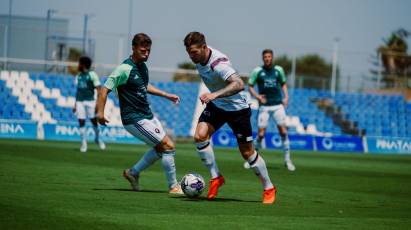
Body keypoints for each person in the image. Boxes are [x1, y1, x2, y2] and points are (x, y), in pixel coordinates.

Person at [184, 31, 276, 204]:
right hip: (218, 106)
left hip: (238, 109)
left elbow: (239, 84)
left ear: (204, 47)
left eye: (194, 52)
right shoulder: (199, 58)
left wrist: (214, 95)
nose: (191, 56)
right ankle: (216, 177)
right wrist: (216, 98)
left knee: (247, 152)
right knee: (199, 136)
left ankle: (269, 187)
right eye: (189, 53)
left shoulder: (219, 63)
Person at [96, 33, 182, 194]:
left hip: (147, 116)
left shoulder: (142, 67)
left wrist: (166, 95)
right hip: (134, 119)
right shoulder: (124, 69)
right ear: (134, 48)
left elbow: (143, 86)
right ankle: (173, 186)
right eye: (143, 50)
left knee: (160, 149)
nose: (146, 54)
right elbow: (104, 89)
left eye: (148, 50)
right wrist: (100, 113)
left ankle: (132, 173)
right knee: (168, 146)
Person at [248, 49, 296, 171]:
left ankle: (287, 160)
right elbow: (250, 86)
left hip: (277, 106)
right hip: (264, 107)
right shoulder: (257, 71)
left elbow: (284, 84)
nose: (267, 58)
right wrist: (257, 96)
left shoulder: (278, 70)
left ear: (272, 57)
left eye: (269, 56)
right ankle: (252, 160)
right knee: (261, 135)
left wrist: (286, 97)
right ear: (263, 58)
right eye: (265, 57)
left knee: (283, 132)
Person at [73, 56, 106, 153]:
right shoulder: (78, 76)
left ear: (83, 64)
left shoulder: (92, 75)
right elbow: (78, 91)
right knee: (81, 121)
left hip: (90, 101)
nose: (78, 65)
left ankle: (98, 138)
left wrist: (97, 103)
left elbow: (99, 90)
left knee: (93, 121)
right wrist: (75, 104)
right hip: (80, 101)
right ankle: (84, 143)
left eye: (79, 63)